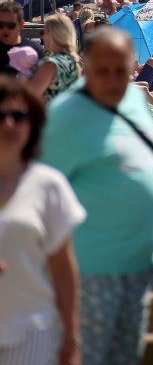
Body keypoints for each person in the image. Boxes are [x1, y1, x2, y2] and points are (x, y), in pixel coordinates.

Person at [39, 28, 153, 365]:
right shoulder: (64, 117)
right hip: (90, 272)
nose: (112, 80)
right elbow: (37, 193)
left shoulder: (136, 101)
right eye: (102, 71)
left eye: (121, 71)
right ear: (85, 66)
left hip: (139, 266)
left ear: (133, 67)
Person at [0, 78, 85, 365]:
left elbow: (63, 267)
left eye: (19, 116)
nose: (9, 124)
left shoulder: (49, 185)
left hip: (31, 332)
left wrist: (72, 336)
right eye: (1, 115)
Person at [26, 14, 80, 101]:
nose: (42, 36)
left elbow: (29, 97)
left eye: (43, 32)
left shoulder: (50, 64)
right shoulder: (74, 60)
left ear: (53, 34)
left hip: (46, 113)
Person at [0, 1, 44, 77]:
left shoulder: (34, 51)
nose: (5, 29)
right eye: (0, 25)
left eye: (11, 25)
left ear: (21, 25)